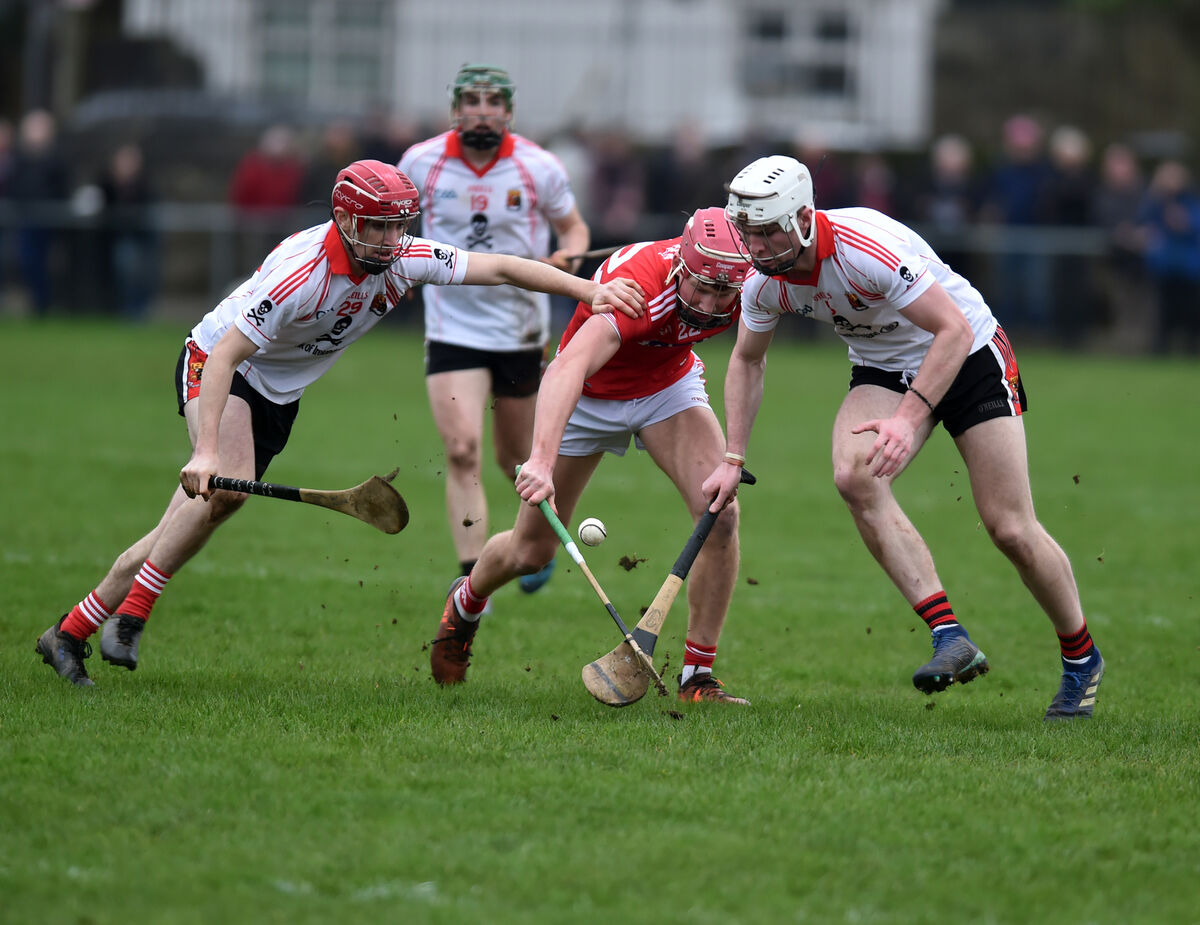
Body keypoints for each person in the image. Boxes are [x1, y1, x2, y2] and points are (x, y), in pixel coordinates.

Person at [35, 159, 644, 687]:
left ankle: (71, 632)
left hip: (279, 392)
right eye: (375, 225)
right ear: (346, 220)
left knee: (194, 513)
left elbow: (505, 268)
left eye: (396, 225)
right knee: (219, 485)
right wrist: (205, 451)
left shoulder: (407, 259)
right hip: (219, 369)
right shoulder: (301, 273)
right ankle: (134, 615)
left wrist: (588, 293)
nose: (387, 238)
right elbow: (223, 357)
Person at [706, 155, 1104, 721]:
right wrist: (732, 457)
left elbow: (953, 329)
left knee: (1010, 527)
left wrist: (910, 418)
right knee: (853, 475)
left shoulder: (863, 251)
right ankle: (949, 636)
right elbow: (746, 362)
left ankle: (1081, 659)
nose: (758, 246)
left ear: (801, 217)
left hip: (968, 358)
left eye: (768, 230)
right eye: (748, 232)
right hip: (883, 368)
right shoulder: (764, 283)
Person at [431, 207, 752, 704]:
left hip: (666, 390)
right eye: (700, 289)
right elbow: (566, 369)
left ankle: (697, 678)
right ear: (679, 269)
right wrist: (539, 460)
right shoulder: (639, 288)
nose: (710, 305)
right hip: (587, 396)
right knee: (530, 552)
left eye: (722, 293)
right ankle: (467, 600)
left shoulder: (747, 279)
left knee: (721, 515)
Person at [399, 64, 591, 603]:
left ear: (508, 111)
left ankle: (532, 543)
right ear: (455, 108)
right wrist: (400, 265)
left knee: (515, 460)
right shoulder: (420, 162)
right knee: (461, 450)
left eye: (492, 101)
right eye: (471, 100)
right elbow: (397, 218)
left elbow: (573, 225)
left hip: (519, 328)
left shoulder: (539, 167)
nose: (481, 109)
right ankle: (469, 576)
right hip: (451, 325)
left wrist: (571, 251)